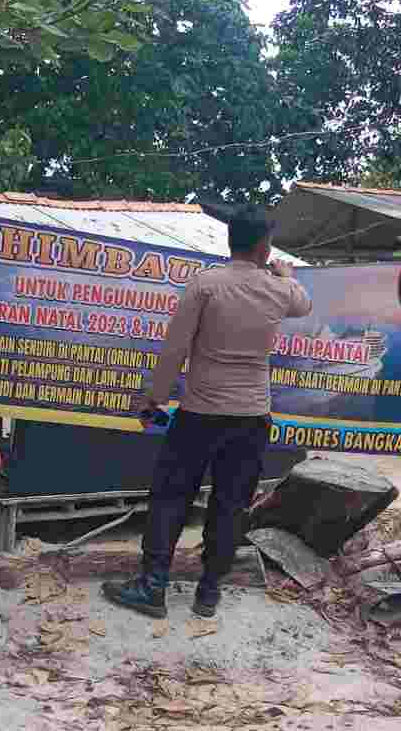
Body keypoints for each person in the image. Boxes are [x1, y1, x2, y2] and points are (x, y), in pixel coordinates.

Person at [102, 204, 311, 620]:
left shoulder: (206, 285)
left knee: (171, 496)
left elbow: (175, 350)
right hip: (251, 418)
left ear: (231, 241)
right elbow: (303, 304)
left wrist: (154, 399)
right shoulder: (280, 290)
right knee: (231, 503)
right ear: (265, 247)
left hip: (199, 413)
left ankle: (153, 586)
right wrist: (285, 274)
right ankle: (209, 591)